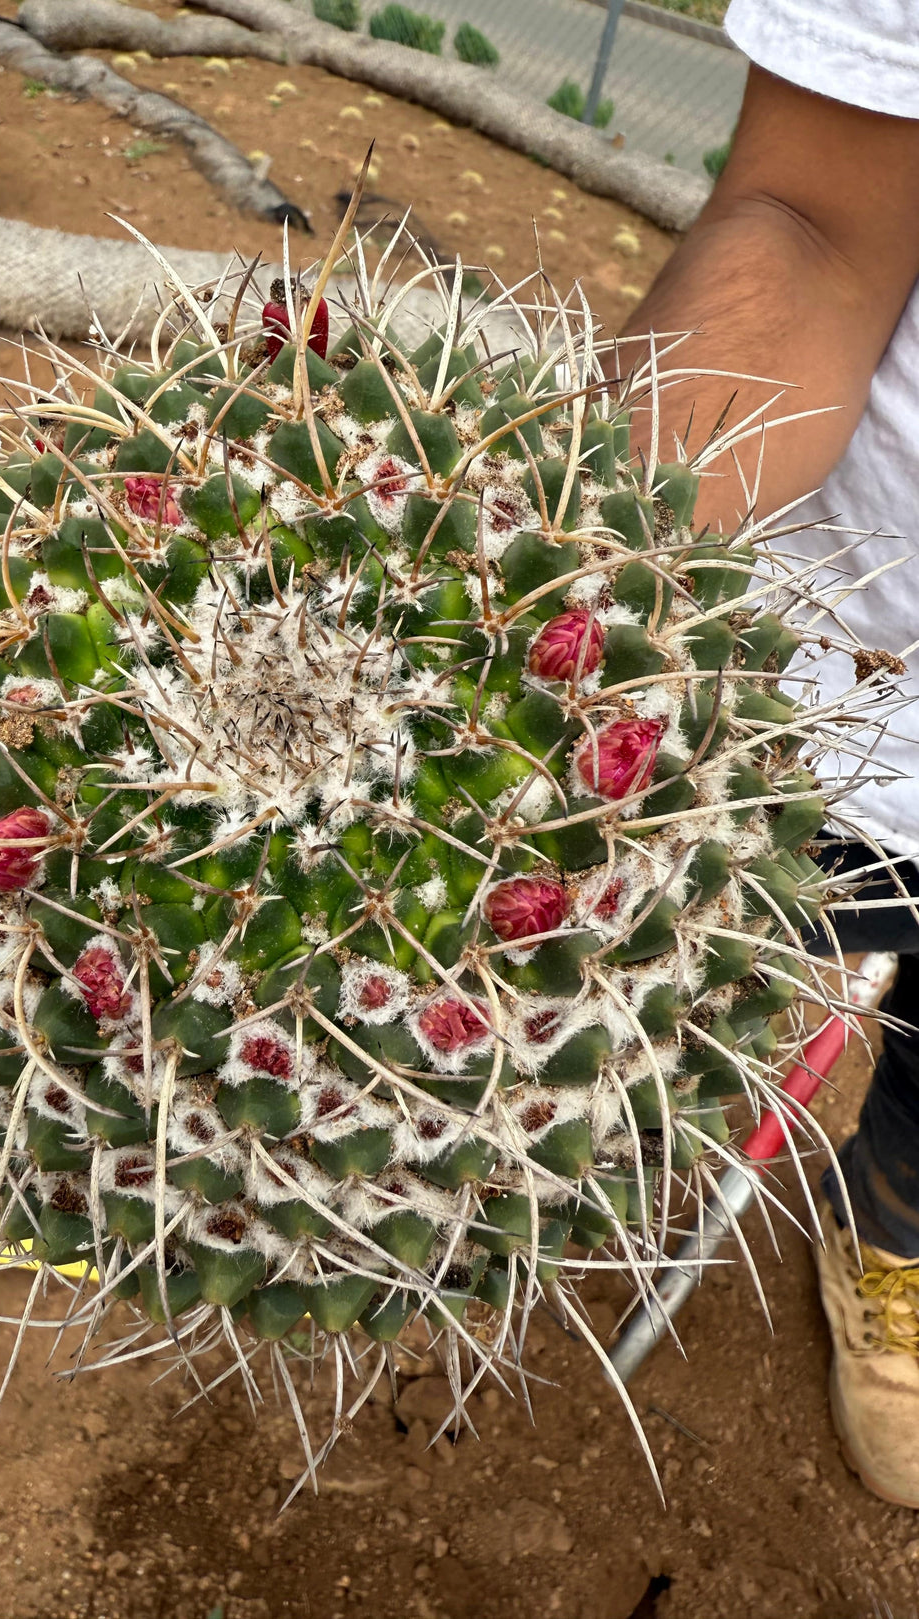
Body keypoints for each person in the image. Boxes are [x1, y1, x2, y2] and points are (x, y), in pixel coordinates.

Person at [615, 0, 919, 1507]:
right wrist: (558, 577)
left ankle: (896, 1234)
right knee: (705, 979)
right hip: (857, 684)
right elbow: (811, 224)